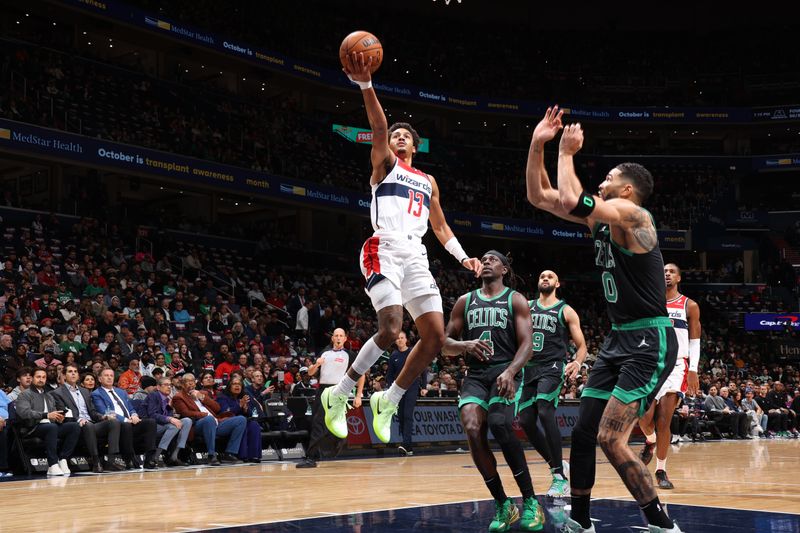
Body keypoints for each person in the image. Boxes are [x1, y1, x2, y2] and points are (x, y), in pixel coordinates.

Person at [525, 107, 680, 533]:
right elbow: (540, 197)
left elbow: (573, 197)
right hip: (617, 340)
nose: (602, 181)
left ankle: (660, 522)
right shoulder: (600, 220)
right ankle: (580, 520)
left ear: (626, 190)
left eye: (609, 177)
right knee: (584, 431)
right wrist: (538, 143)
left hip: (650, 340)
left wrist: (566, 151)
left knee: (612, 438)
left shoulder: (636, 217)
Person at [321, 51, 481, 444]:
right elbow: (377, 126)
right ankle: (339, 394)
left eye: (405, 135)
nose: (398, 137)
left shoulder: (428, 181)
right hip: (383, 248)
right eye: (395, 135)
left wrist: (464, 258)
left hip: (417, 254)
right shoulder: (385, 165)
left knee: (435, 338)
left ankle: (388, 400)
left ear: (417, 144)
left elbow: (440, 226)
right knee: (391, 329)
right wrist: (366, 85)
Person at [442, 250, 543, 532]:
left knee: (499, 423)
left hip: (505, 371)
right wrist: (465, 345)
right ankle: (503, 503)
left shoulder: (516, 300)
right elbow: (445, 343)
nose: (486, 261)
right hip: (475, 374)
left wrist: (511, 371)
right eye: (483, 259)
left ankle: (531, 501)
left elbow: (527, 345)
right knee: (473, 428)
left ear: (504, 270)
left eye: (493, 259)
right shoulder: (465, 301)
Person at [518, 270, 587, 497]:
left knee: (546, 412)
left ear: (558, 283)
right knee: (526, 421)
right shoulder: (526, 306)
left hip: (552, 367)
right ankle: (557, 465)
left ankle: (559, 477)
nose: (545, 278)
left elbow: (582, 346)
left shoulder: (565, 310)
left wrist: (577, 362)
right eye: (541, 276)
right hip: (528, 368)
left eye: (550, 276)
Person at [638, 263, 701, 489]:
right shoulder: (650, 302)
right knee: (645, 418)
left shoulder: (689, 305)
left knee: (664, 420)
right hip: (651, 364)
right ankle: (650, 440)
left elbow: (695, 339)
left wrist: (693, 369)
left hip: (676, 365)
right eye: (664, 271)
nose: (667, 274)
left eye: (672, 271)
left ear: (679, 277)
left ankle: (661, 470)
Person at [297, 328, 365, 468]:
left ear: (345, 338)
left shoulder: (349, 355)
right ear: (332, 338)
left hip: (338, 391)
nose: (338, 338)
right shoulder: (324, 353)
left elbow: (361, 374)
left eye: (341, 336)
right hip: (322, 391)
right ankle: (313, 456)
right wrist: (317, 364)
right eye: (336, 335)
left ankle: (316, 455)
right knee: (317, 422)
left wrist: (359, 395)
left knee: (326, 424)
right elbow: (310, 373)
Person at [50, 363, 124, 473]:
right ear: (64, 376)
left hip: (91, 423)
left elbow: (93, 412)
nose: (73, 374)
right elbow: (63, 413)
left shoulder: (84, 391)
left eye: (75, 372)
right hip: (75, 425)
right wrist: (79, 420)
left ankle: (111, 461)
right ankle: (96, 461)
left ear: (78, 376)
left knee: (114, 422)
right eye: (70, 372)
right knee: (87, 425)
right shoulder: (57, 393)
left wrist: (103, 416)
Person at [15, 368, 81, 476]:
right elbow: (24, 413)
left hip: (50, 425)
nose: (41, 379)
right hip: (33, 427)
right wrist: (46, 415)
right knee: (52, 428)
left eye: (43, 377)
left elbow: (52, 414)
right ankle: (52, 464)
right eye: (38, 377)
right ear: (32, 378)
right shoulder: (24, 394)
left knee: (74, 426)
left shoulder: (49, 396)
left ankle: (63, 458)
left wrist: (59, 418)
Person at [171, 373, 246, 466]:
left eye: (192, 381)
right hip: (197, 425)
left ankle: (229, 453)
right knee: (209, 419)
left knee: (241, 420)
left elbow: (217, 408)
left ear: (195, 383)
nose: (190, 383)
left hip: (215, 422)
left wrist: (202, 397)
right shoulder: (178, 397)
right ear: (182, 384)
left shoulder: (203, 393)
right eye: (187, 381)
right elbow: (185, 413)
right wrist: (204, 415)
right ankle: (211, 455)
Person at [91, 368, 159, 470]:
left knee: (150, 423)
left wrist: (134, 414)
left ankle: (150, 459)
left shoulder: (121, 392)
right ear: (100, 379)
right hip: (116, 423)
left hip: (130, 421)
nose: (109, 377)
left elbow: (130, 407)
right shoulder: (97, 394)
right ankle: (129, 459)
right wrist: (126, 420)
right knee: (126, 425)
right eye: (106, 375)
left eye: (111, 375)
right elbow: (105, 411)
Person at [144, 376, 192, 466]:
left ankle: (175, 455)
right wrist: (170, 418)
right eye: (166, 385)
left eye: (170, 385)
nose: (169, 387)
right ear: (158, 387)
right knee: (173, 426)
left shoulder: (168, 399)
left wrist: (170, 409)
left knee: (187, 421)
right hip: (152, 425)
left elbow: (168, 417)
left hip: (164, 425)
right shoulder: (153, 395)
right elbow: (152, 414)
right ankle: (156, 456)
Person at [386, 331, 421, 456]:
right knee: (400, 416)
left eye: (402, 338)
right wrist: (390, 389)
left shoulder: (412, 352)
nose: (400, 340)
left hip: (412, 386)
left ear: (406, 339)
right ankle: (408, 446)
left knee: (407, 415)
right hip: (398, 389)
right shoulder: (393, 355)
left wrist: (423, 385)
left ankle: (405, 443)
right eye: (398, 338)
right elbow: (390, 375)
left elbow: (421, 367)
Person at [216, 376, 262, 462]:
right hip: (225, 424)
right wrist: (239, 406)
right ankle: (241, 455)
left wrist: (245, 409)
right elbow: (226, 413)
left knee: (254, 425)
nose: (237, 386)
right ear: (229, 386)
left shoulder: (242, 398)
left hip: (241, 422)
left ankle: (253, 455)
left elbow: (250, 414)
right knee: (242, 420)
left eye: (239, 384)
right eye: (234, 384)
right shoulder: (222, 397)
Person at [0, 389, 13, 477]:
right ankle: (2, 468)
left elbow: (10, 405)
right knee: (2, 432)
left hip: (5, 421)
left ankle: (12, 466)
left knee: (14, 431)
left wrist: (9, 420)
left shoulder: (0, 392)